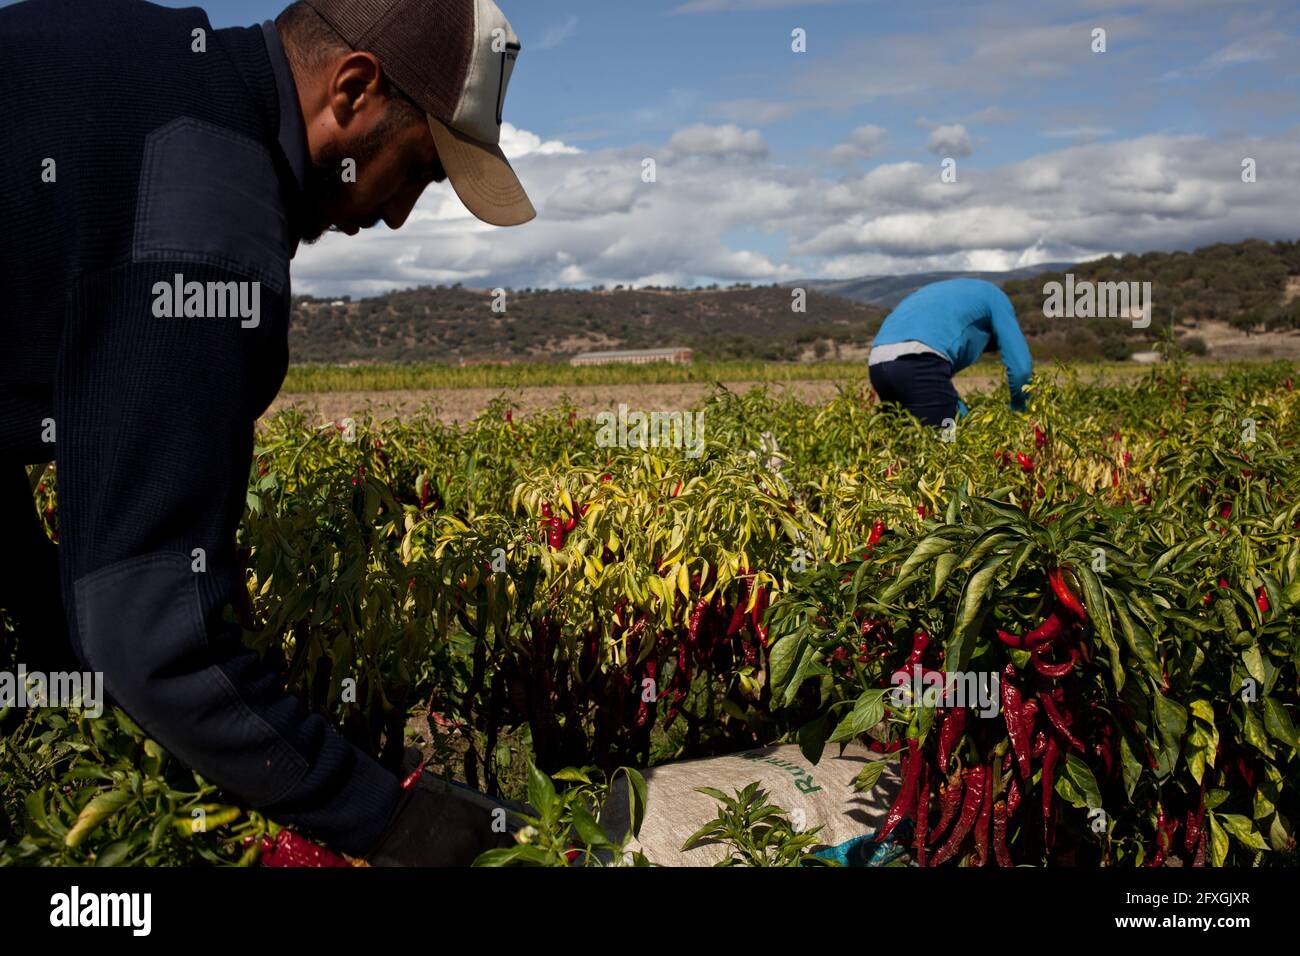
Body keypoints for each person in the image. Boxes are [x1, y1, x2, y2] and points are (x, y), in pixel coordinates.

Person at [0, 0, 534, 865]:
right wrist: (389, 821)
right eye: (421, 170)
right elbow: (152, 633)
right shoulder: (205, 208)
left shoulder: (139, 69)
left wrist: (57, 662)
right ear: (353, 91)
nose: (399, 215)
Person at [868, 278, 1033, 426]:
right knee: (949, 447)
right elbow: (1021, 370)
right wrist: (1019, 412)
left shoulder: (954, 295)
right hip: (918, 361)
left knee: (903, 447)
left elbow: (940, 392)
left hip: (878, 364)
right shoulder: (997, 299)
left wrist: (966, 418)